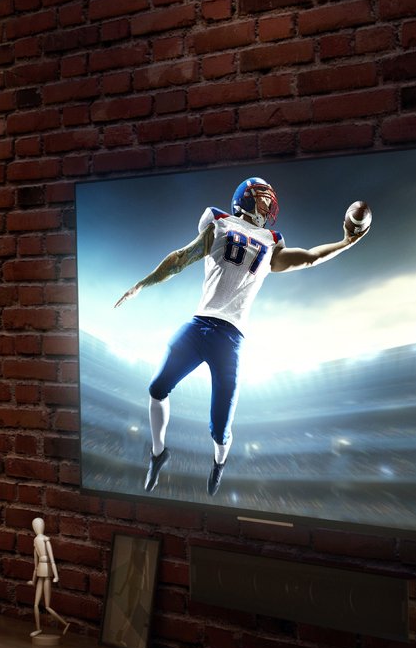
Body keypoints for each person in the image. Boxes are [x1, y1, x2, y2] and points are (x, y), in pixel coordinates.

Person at [113, 177, 370, 496]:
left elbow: (310, 257)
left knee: (219, 430)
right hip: (199, 324)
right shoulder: (218, 223)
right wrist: (142, 284)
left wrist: (345, 242)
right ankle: (158, 453)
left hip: (230, 338)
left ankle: (219, 463)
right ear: (246, 199)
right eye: (264, 199)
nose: (269, 205)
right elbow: (180, 259)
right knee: (156, 387)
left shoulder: (271, 239)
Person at [29, 516, 67, 640]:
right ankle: (38, 628)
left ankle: (65, 624)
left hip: (46, 569)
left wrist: (56, 576)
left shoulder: (45, 540)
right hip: (41, 569)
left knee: (47, 605)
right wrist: (33, 581)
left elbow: (52, 560)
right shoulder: (36, 541)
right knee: (36, 604)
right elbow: (35, 565)